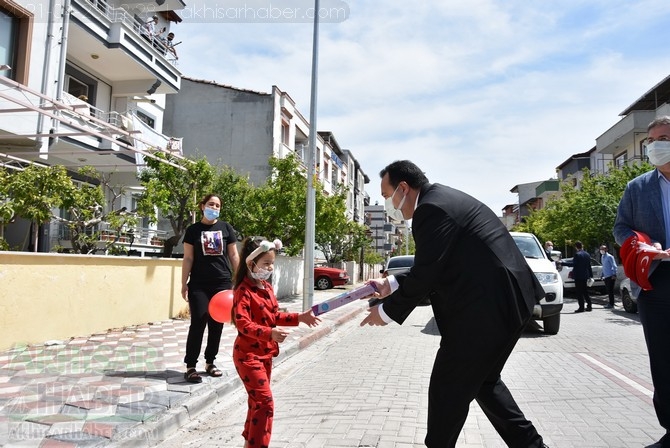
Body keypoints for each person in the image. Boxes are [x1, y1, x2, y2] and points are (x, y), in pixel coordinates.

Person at [361, 160, 549, 448]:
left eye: (387, 197)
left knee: (446, 389)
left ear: (403, 188)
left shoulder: (431, 209)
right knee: (484, 384)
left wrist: (385, 312)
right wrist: (392, 284)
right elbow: (437, 263)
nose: (388, 205)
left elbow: (427, 273)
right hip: (505, 304)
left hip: (486, 311)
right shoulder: (441, 201)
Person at [613, 115, 670, 448]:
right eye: (651, 141)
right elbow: (620, 228)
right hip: (654, 281)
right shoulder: (637, 187)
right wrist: (642, 245)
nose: (656, 146)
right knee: (662, 359)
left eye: (663, 138)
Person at [232, 236, 320, 448]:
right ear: (251, 263)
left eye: (272, 263)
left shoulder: (266, 288)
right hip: (247, 356)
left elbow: (273, 317)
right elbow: (242, 324)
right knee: (265, 403)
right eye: (265, 264)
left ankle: (249, 443)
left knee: (257, 403)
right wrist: (268, 333)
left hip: (266, 355)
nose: (270, 268)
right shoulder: (243, 291)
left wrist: (300, 317)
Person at [181, 194, 240, 383]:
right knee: (198, 320)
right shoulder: (193, 230)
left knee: (217, 323)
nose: (214, 207)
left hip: (222, 282)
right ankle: (191, 366)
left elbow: (233, 255)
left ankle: (210, 362)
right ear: (202, 206)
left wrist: (239, 280)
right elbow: (188, 258)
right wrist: (183, 283)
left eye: (217, 205)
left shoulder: (226, 228)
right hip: (199, 283)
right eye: (211, 204)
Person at [561, 241, 593, 313]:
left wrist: (562, 263)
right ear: (582, 246)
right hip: (585, 275)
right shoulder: (587, 254)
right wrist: (590, 275)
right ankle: (589, 305)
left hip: (578, 276)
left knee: (579, 292)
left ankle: (581, 307)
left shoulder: (577, 255)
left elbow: (574, 264)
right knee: (585, 291)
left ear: (576, 247)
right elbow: (589, 266)